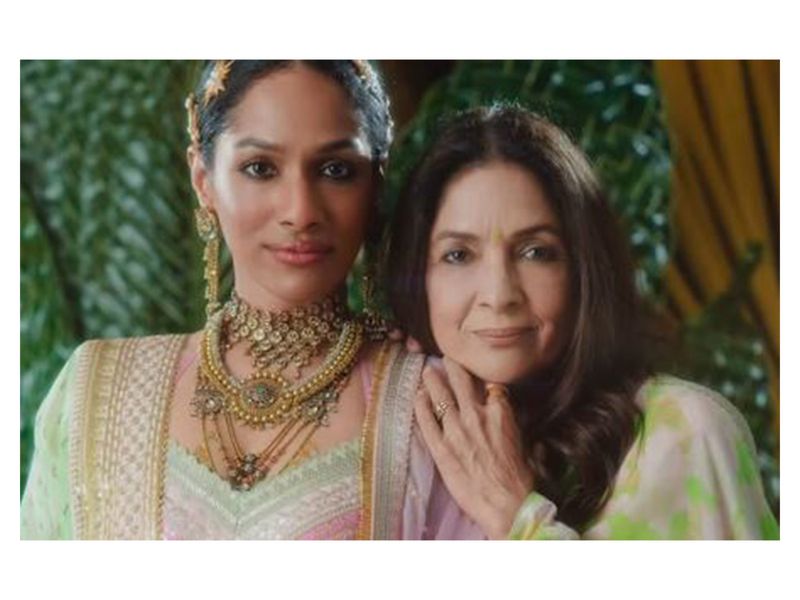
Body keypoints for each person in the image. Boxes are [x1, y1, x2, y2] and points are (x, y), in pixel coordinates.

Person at [20, 60, 428, 540]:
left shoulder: (428, 403)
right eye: (260, 168)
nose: (300, 211)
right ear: (203, 180)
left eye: (335, 170)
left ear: (375, 183)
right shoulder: (96, 391)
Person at [386, 104, 779, 539]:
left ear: (584, 269)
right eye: (459, 255)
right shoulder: (391, 440)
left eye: (536, 252)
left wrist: (520, 520)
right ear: (416, 276)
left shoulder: (687, 433)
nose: (499, 295)